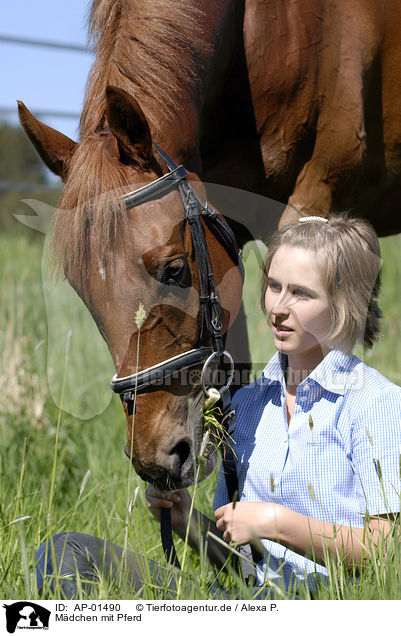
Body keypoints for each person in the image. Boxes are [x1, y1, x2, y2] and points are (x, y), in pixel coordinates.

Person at [36, 212, 401, 598]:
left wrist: (276, 522)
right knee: (67, 552)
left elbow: (386, 549)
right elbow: (244, 561)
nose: (278, 307)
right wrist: (187, 520)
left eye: (301, 294)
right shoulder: (248, 403)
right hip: (251, 602)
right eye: (274, 286)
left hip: (326, 611)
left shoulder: (376, 404)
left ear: (345, 302)